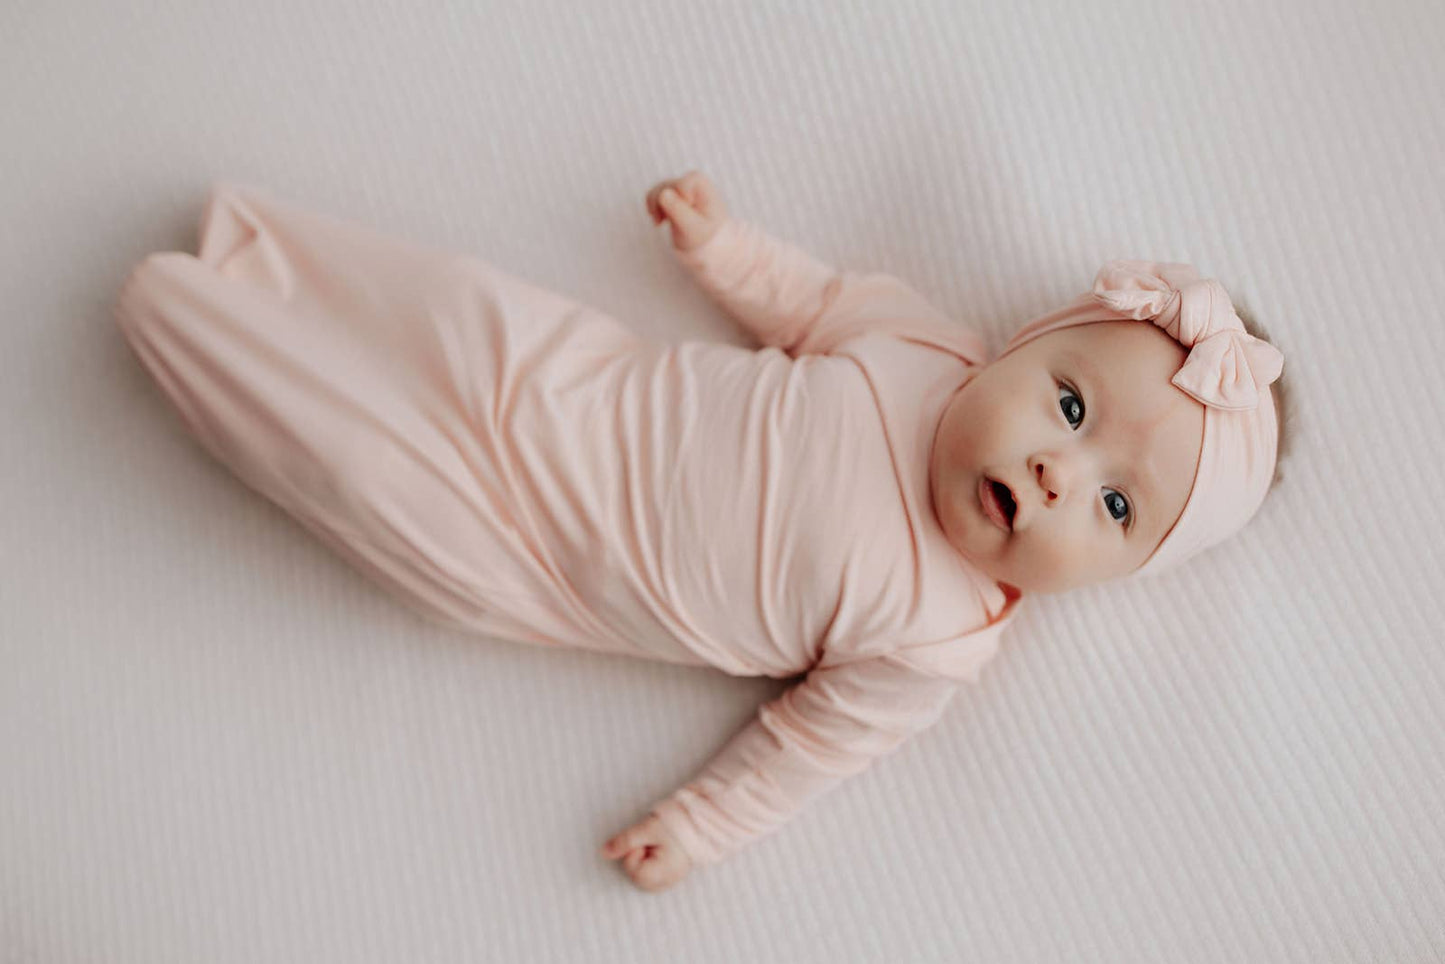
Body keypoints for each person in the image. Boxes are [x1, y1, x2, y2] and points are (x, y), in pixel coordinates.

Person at [113, 172, 1286, 893]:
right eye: (1068, 405)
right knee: (444, 306)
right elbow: (808, 300)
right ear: (1021, 344)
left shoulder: (940, 637)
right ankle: (254, 251)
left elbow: (802, 750)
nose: (1055, 471)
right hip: (573, 381)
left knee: (361, 470)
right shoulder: (923, 346)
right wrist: (720, 247)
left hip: (536, 556)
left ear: (1115, 575)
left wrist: (696, 828)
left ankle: (189, 321)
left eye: (1114, 507)